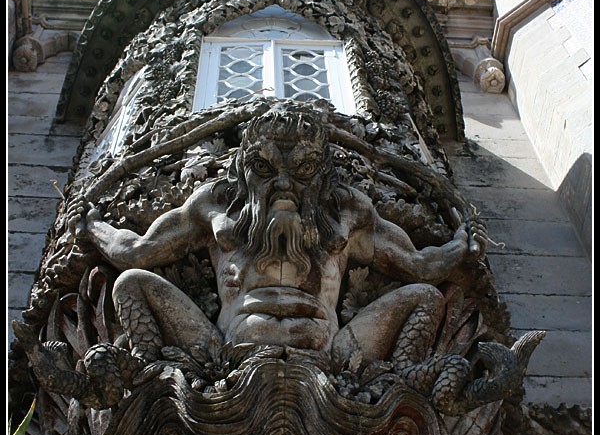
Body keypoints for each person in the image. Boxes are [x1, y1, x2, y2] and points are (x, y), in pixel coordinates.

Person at [73, 104, 487, 376]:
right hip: (224, 346)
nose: (285, 181)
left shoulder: (347, 213)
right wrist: (93, 226)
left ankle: (402, 383)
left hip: (332, 351)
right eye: (265, 168)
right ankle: (149, 375)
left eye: (303, 168)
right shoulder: (216, 207)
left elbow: (418, 266)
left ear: (323, 171)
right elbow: (138, 252)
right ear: (243, 168)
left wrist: (462, 245)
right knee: (130, 284)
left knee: (425, 297)